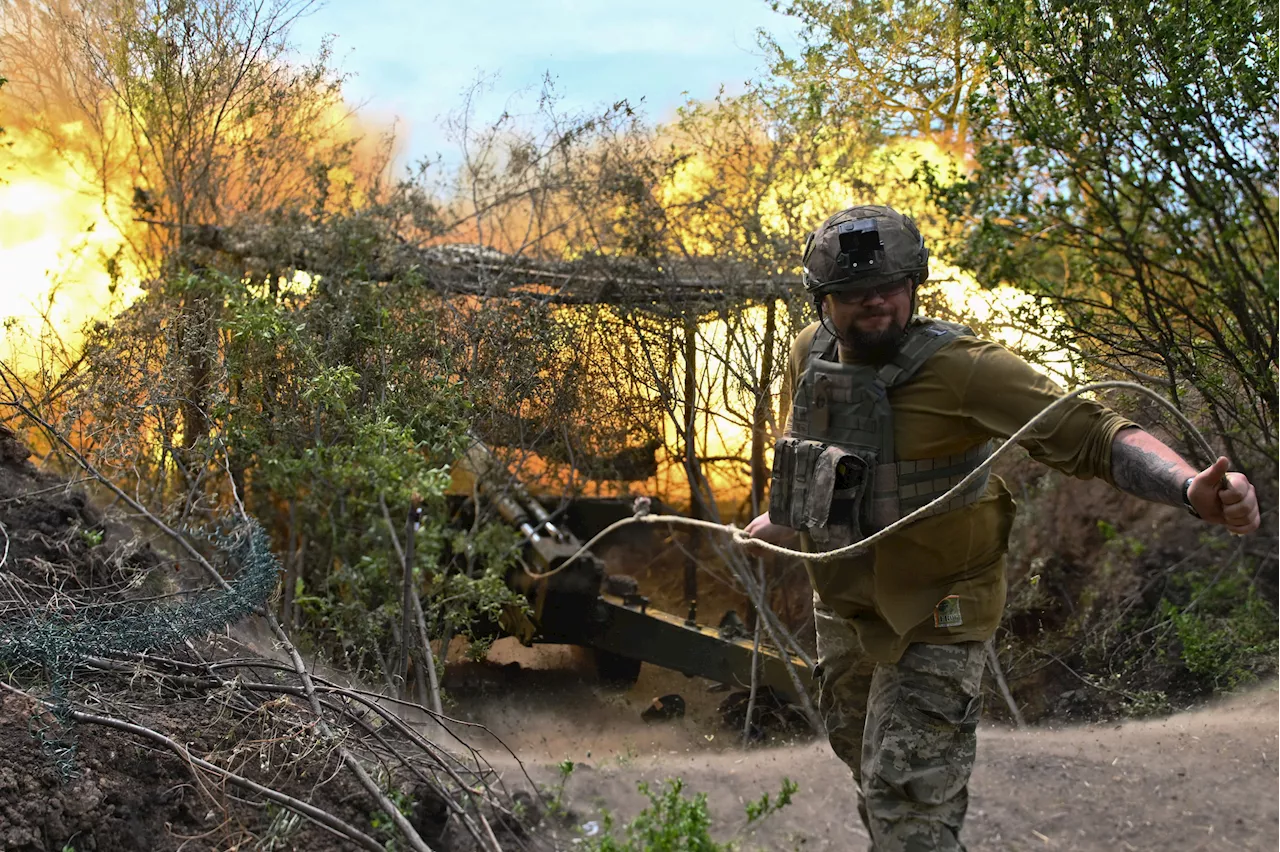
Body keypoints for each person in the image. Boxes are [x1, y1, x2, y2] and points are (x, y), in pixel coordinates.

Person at [744, 205, 1261, 852]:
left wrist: (1189, 488)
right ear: (823, 299)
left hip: (938, 611)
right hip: (845, 606)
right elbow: (809, 447)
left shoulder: (966, 368)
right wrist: (786, 513)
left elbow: (1091, 432)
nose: (874, 302)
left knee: (908, 809)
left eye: (891, 285)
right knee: (869, 767)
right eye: (853, 291)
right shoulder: (808, 356)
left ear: (915, 284)